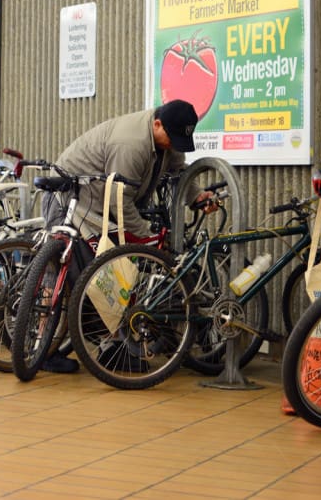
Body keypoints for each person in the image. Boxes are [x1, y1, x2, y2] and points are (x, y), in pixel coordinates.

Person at [39, 99, 216, 372]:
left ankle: (111, 347)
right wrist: (146, 238)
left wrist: (197, 196)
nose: (174, 145)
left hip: (101, 209)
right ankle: (43, 349)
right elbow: (119, 201)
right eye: (173, 138)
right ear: (157, 124)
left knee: (113, 275)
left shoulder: (166, 138)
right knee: (67, 273)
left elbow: (178, 173)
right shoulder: (131, 144)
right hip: (69, 199)